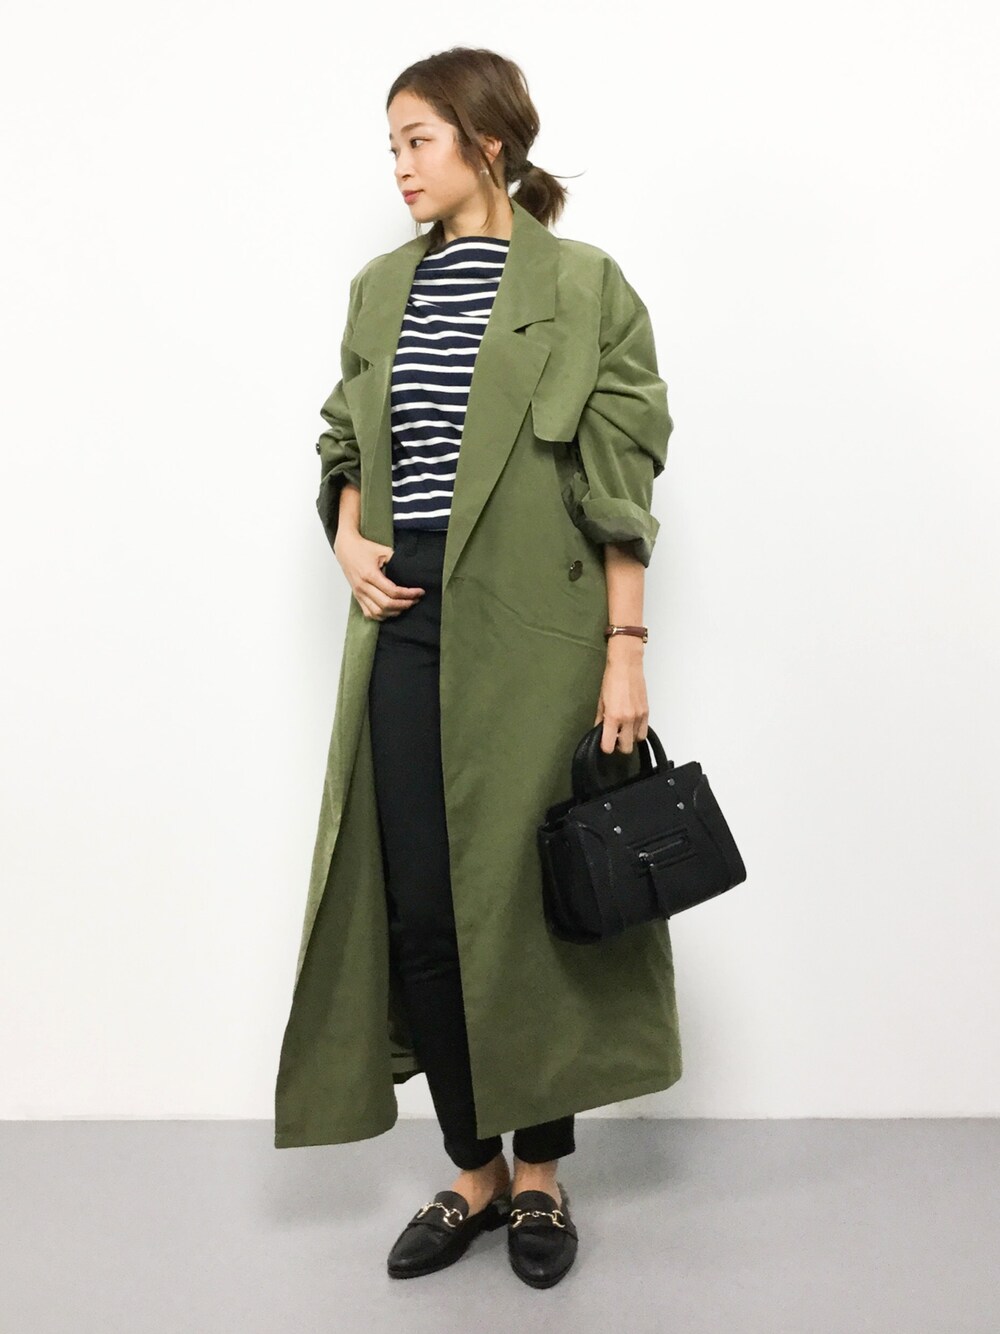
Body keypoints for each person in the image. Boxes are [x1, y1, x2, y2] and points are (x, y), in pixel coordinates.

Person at [275, 46, 681, 1290]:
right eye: (391, 145)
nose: (399, 167)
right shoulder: (378, 290)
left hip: (538, 634)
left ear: (487, 142)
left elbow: (620, 479)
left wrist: (624, 650)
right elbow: (346, 437)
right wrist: (348, 535)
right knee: (419, 904)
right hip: (405, 619)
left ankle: (542, 1170)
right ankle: (472, 1167)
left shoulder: (583, 284)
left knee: (526, 905)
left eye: (419, 140)